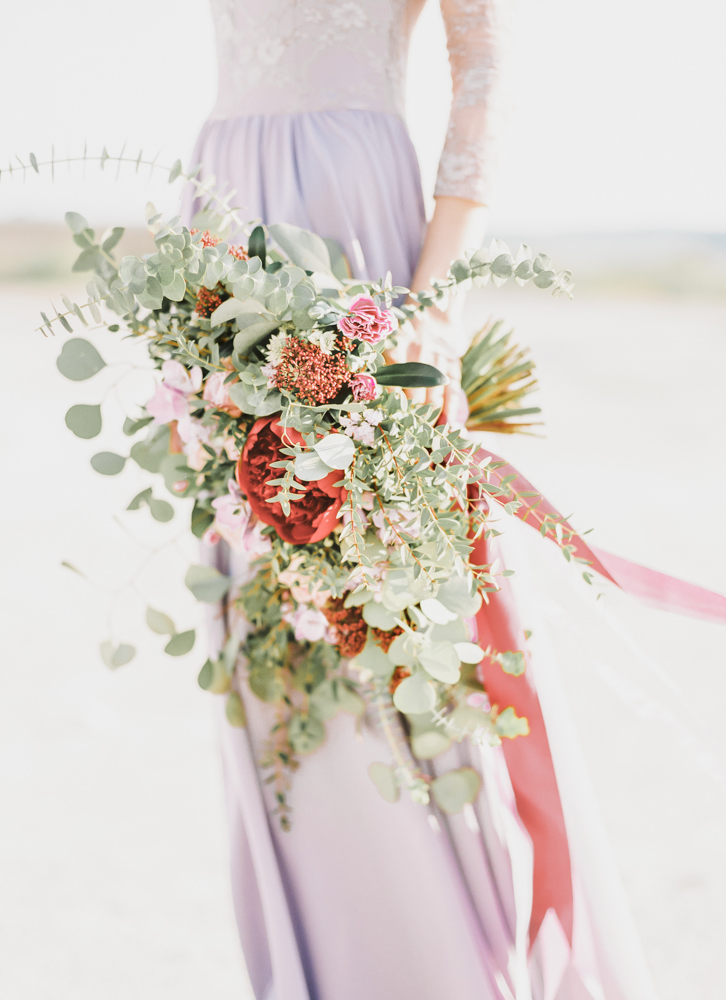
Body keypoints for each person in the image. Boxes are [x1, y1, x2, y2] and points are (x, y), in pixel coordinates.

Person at [184, 3, 660, 998]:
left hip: (361, 236)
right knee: (264, 603)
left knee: (392, 601)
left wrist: (430, 307)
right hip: (221, 230)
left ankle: (444, 961)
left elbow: (484, 57)